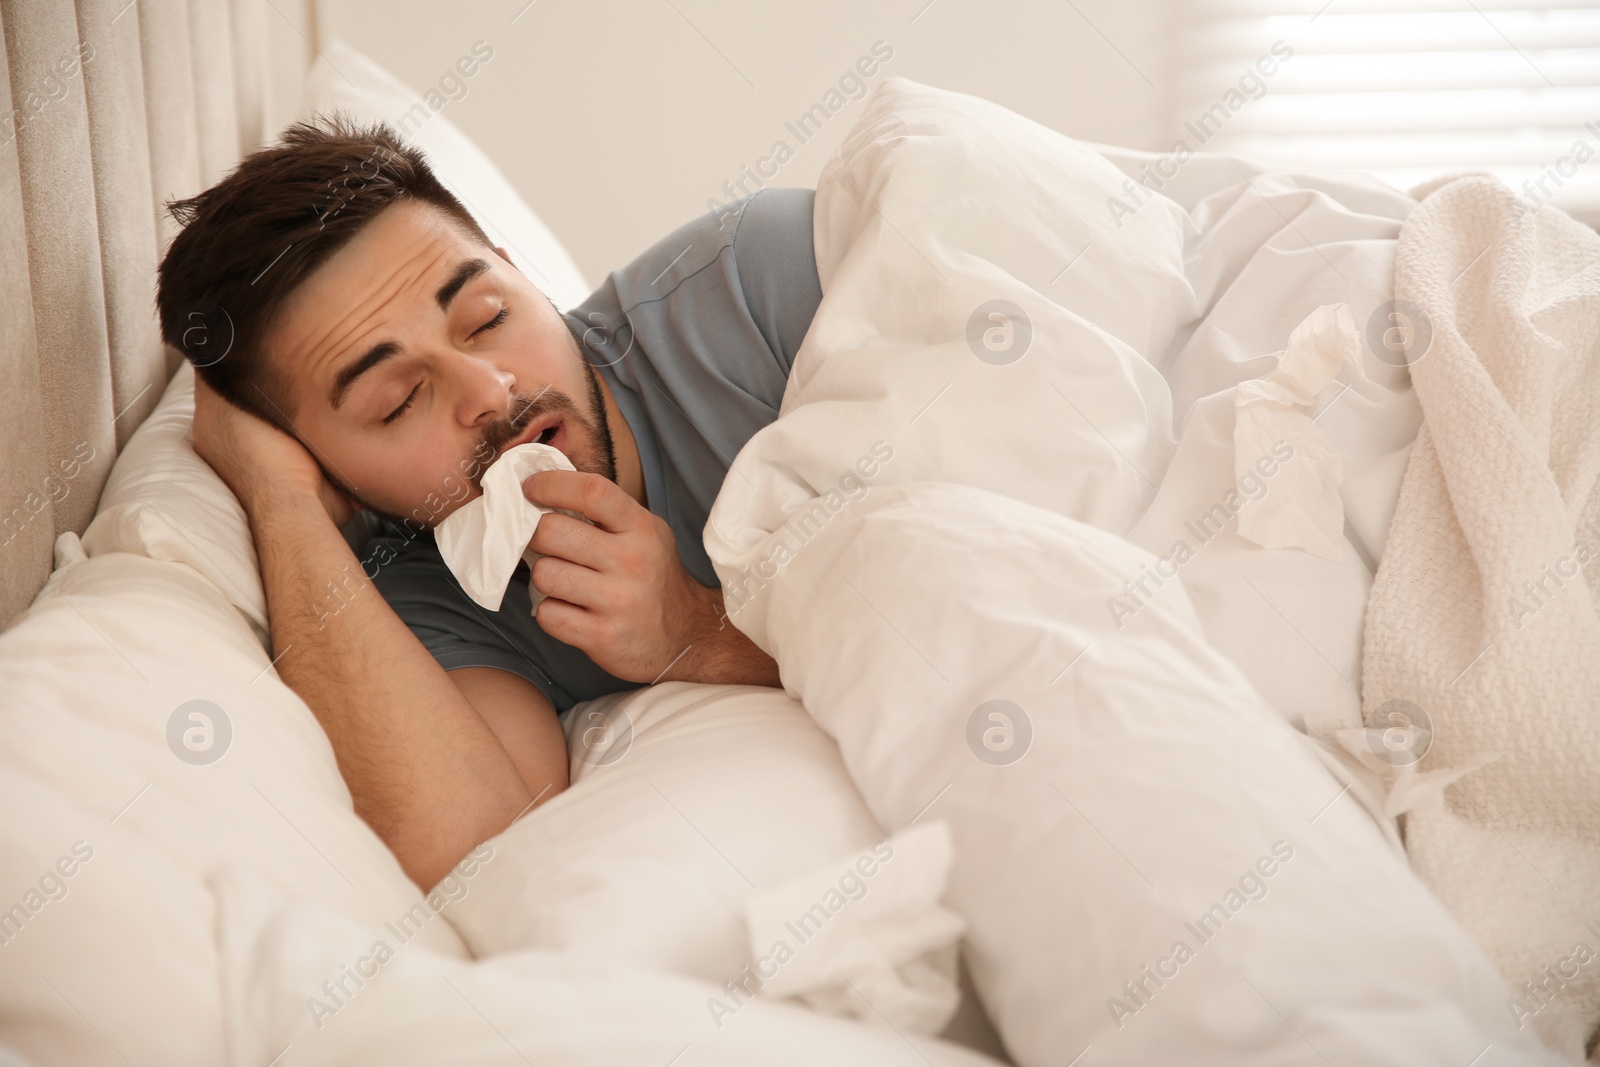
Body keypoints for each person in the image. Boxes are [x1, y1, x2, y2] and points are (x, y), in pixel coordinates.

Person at [158, 116, 820, 890]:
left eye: (487, 318)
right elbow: (475, 850)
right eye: (398, 401)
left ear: (519, 273)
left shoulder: (756, 288)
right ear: (335, 474)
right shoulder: (426, 601)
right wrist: (282, 502)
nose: (487, 390)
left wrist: (696, 634)